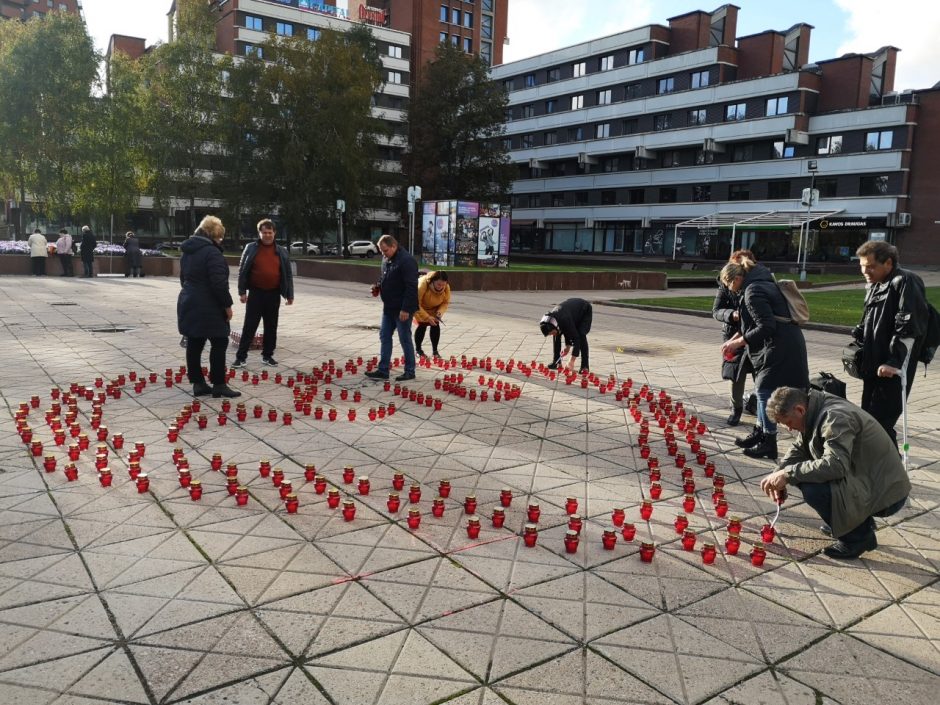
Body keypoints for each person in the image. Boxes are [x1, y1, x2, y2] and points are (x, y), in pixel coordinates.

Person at [759, 386, 910, 559]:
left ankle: (858, 538)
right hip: (866, 478)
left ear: (799, 410)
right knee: (803, 474)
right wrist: (778, 473)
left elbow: (836, 465)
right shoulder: (814, 409)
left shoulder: (834, 417)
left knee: (812, 488)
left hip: (886, 492)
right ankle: (848, 521)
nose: (789, 429)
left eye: (788, 423)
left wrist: (787, 474)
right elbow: (800, 448)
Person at [720, 257, 809, 460]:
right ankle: (760, 433)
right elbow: (756, 322)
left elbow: (766, 326)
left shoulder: (753, 291)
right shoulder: (762, 283)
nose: (730, 290)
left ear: (737, 278)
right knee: (763, 389)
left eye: (729, 284)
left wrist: (738, 343)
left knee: (764, 390)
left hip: (779, 346)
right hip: (784, 344)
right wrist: (736, 337)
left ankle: (768, 442)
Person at [853, 240, 929, 446]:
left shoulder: (905, 281)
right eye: (862, 266)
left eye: (870, 266)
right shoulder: (875, 284)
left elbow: (909, 323)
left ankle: (888, 472)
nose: (865, 271)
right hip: (873, 365)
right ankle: (878, 471)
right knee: (870, 421)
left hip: (891, 367)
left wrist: (894, 361)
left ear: (888, 263)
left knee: (879, 424)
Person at [177, 215, 240, 398]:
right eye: (219, 237)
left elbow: (183, 278)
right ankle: (219, 384)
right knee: (220, 341)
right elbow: (218, 283)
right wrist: (227, 305)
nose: (220, 241)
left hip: (189, 300)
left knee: (195, 342)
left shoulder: (187, 251)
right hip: (210, 304)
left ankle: (198, 384)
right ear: (213, 235)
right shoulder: (212, 253)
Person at [231, 219, 294, 368]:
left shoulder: (282, 251)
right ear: (259, 233)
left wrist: (289, 295)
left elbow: (288, 275)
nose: (267, 235)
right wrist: (242, 292)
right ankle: (241, 357)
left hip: (274, 294)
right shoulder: (250, 248)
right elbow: (242, 270)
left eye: (270, 232)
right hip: (256, 293)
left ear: (274, 233)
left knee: (271, 326)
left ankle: (268, 356)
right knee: (249, 326)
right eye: (264, 232)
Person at [365, 234, 418, 382]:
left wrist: (406, 309)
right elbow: (384, 277)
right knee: (384, 336)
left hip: (402, 308)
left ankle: (410, 370)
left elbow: (411, 287)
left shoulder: (407, 261)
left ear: (394, 246)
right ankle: (383, 370)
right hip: (389, 307)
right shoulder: (387, 258)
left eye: (385, 250)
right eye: (381, 251)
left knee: (404, 338)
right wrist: (378, 287)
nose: (383, 254)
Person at [712, 249, 756, 426]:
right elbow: (716, 311)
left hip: (754, 333)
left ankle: (759, 406)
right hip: (732, 335)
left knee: (758, 373)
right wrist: (731, 315)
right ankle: (736, 408)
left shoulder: (753, 283)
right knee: (735, 374)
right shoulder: (725, 283)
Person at [539, 298, 593, 373]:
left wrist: (571, 360)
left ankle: (585, 366)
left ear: (554, 326)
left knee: (581, 335)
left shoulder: (564, 319)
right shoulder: (552, 320)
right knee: (557, 335)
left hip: (584, 310)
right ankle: (557, 361)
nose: (552, 335)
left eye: (551, 333)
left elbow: (575, 338)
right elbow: (565, 331)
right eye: (550, 334)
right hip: (571, 314)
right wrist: (567, 347)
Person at [414, 270, 450, 359]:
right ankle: (418, 350)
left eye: (443, 285)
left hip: (434, 308)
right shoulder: (422, 284)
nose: (440, 287)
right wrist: (427, 317)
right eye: (438, 284)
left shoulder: (446, 287)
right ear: (433, 281)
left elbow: (445, 302)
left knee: (435, 325)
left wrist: (440, 312)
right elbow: (415, 303)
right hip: (420, 308)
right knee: (422, 326)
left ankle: (435, 351)